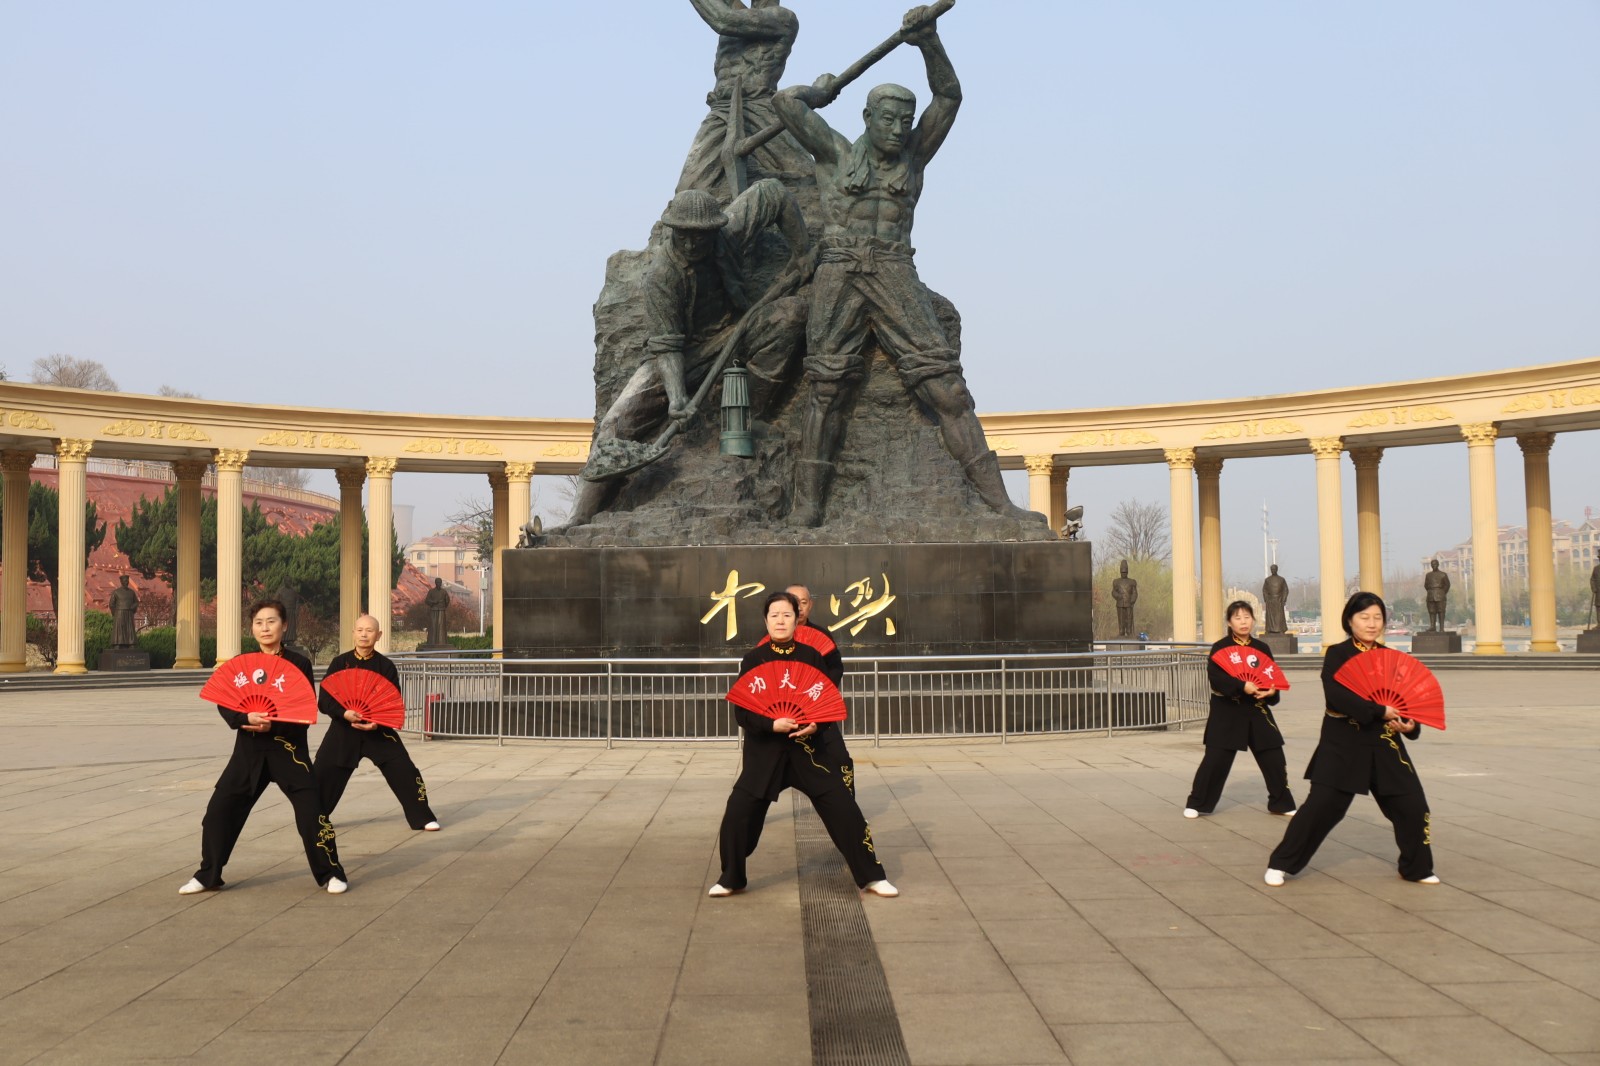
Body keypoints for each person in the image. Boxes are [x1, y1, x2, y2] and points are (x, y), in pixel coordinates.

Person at [772, 6, 1033, 525]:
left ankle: (999, 504)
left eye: (904, 121)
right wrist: (818, 92)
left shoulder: (914, 156)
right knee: (825, 388)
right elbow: (784, 103)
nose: (897, 129)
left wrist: (929, 42)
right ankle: (807, 508)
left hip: (894, 268)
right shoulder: (834, 151)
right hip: (840, 270)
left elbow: (949, 97)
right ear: (867, 118)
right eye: (887, 119)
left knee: (948, 388)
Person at [570, 181, 809, 525]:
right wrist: (677, 397)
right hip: (680, 355)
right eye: (685, 235)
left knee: (791, 315)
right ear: (673, 230)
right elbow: (667, 347)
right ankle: (577, 519)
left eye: (701, 236)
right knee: (614, 425)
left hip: (735, 330)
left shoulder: (729, 231)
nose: (693, 243)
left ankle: (750, 416)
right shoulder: (662, 276)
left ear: (714, 230)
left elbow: (774, 193)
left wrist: (802, 253)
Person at [710, 590, 896, 898]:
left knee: (844, 808)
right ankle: (731, 877)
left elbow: (826, 704)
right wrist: (771, 724)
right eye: (774, 615)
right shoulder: (753, 660)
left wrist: (815, 725)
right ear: (765, 621)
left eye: (787, 615)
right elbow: (742, 712)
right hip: (765, 755)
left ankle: (872, 876)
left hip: (808, 753)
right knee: (738, 812)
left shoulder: (811, 656)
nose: (780, 621)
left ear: (797, 619)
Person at [1264, 591, 1438, 887]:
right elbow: (1337, 696)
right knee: (1321, 808)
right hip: (1343, 745)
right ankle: (1281, 863)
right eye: (1364, 617)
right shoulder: (1337, 654)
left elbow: (1406, 702)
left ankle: (1416, 868)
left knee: (1413, 807)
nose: (1372, 624)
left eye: (1378, 617)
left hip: (1386, 745)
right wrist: (1378, 710)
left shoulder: (1392, 659)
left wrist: (1410, 726)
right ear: (1349, 620)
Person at [179, 599, 347, 895]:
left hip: (289, 751)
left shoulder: (299, 664)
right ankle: (209, 874)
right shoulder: (242, 664)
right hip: (248, 753)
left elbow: (303, 709)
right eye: (259, 622)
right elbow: (226, 702)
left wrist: (274, 725)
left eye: (271, 621)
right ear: (252, 628)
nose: (265, 628)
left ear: (284, 626)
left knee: (312, 814)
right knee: (219, 811)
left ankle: (330, 874)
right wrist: (244, 718)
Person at [314, 614, 441, 832]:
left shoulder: (386, 666)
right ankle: (315, 818)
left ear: (378, 635)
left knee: (405, 770)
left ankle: (422, 817)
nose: (364, 634)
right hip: (344, 729)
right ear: (353, 633)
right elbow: (324, 701)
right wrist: (344, 713)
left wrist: (376, 723)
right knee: (324, 772)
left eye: (369, 630)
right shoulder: (339, 663)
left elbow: (393, 701)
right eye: (360, 630)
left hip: (377, 730)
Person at [678, 0, 813, 202]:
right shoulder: (740, 12)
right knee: (688, 189)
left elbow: (723, 20)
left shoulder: (783, 18)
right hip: (721, 109)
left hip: (758, 107)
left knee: (803, 178)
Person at [1183, 601, 1297, 820]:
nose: (1243, 622)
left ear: (1253, 620)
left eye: (1247, 617)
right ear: (1229, 622)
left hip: (1257, 710)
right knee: (1215, 761)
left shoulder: (1262, 648)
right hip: (1227, 712)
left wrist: (1271, 692)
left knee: (1274, 758)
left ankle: (1281, 802)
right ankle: (1198, 803)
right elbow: (1216, 679)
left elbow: (1270, 677)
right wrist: (1241, 685)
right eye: (1237, 618)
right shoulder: (1220, 647)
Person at [1111, 561, 1138, 639]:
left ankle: (1129, 631)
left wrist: (1133, 600)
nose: (1124, 573)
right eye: (1122, 572)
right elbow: (1113, 592)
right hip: (1120, 603)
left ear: (1127, 571)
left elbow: (1135, 593)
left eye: (1125, 572)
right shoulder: (1116, 582)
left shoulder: (1132, 582)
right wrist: (1118, 596)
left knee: (1129, 618)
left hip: (1129, 603)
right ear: (1120, 571)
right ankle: (1121, 631)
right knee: (1121, 618)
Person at [109, 575, 138, 647]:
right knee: (119, 628)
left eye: (127, 581)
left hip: (129, 612)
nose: (126, 582)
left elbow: (136, 602)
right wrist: (115, 613)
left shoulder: (132, 592)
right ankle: (118, 643)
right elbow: (111, 604)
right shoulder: (116, 592)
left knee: (129, 628)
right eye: (125, 581)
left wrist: (133, 607)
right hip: (119, 612)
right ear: (121, 582)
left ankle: (131, 643)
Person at [1424, 560, 1450, 632]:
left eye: (1435, 564)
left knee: (1441, 611)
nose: (1433, 565)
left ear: (1438, 564)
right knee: (1431, 611)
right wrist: (1431, 591)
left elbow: (1447, 585)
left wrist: (1442, 592)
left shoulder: (1443, 574)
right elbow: (1426, 585)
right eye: (1432, 564)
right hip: (1430, 595)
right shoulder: (1428, 575)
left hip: (1440, 595)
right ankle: (1433, 626)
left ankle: (1441, 628)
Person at [1262, 564, 1289, 635]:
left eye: (1274, 569)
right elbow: (1264, 590)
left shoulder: (1281, 579)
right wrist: (1266, 599)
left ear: (1277, 570)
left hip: (1279, 600)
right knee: (1270, 617)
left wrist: (1283, 599)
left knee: (1279, 616)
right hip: (1270, 601)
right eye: (1272, 569)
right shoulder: (1267, 580)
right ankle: (1269, 630)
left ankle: (1281, 630)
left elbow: (1285, 590)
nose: (1273, 571)